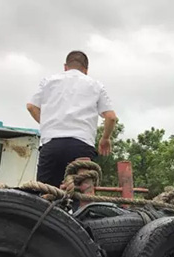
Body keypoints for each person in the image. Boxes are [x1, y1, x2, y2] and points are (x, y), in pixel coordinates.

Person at [26, 50, 118, 188]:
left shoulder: (48, 81)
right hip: (81, 147)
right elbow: (111, 117)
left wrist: (48, 124)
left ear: (65, 67)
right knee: (81, 198)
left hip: (51, 145)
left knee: (45, 195)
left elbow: (31, 106)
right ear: (86, 70)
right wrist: (105, 139)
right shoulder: (95, 85)